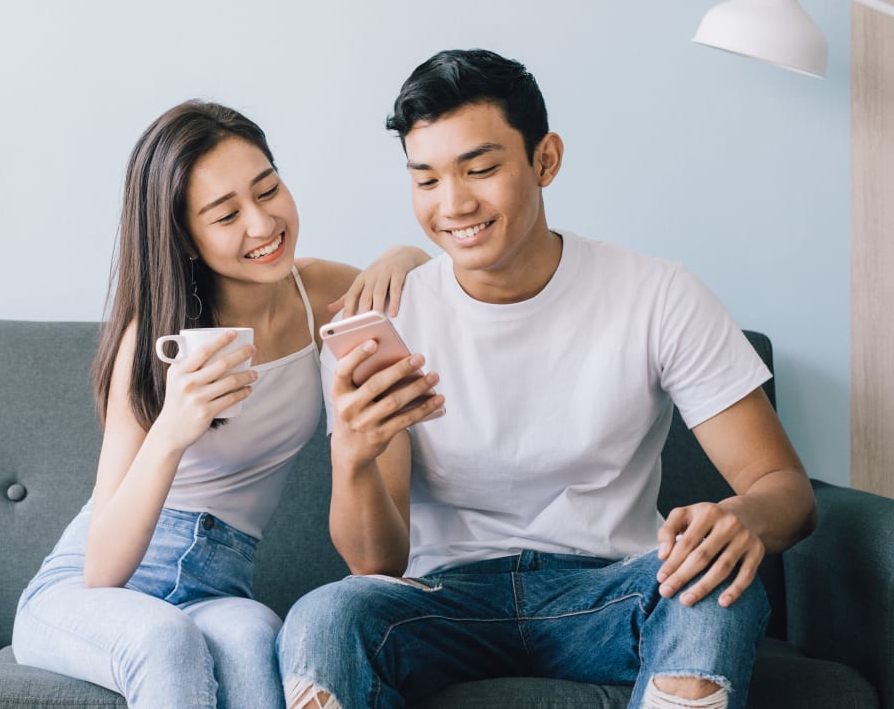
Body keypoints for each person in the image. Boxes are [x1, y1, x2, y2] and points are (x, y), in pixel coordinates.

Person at [277, 49, 818, 709]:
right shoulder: (389, 318)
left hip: (614, 589)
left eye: (479, 169)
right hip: (445, 601)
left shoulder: (658, 295)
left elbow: (785, 490)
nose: (454, 204)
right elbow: (375, 567)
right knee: (324, 618)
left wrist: (740, 520)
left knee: (714, 585)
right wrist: (355, 456)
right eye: (426, 180)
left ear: (545, 160)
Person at [11, 100, 429, 709]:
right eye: (226, 214)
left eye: (268, 190)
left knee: (258, 636)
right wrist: (173, 429)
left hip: (219, 584)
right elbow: (102, 570)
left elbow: (419, 273)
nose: (262, 225)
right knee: (165, 641)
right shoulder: (154, 337)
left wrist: (399, 256)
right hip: (86, 591)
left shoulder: (323, 294)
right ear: (185, 235)